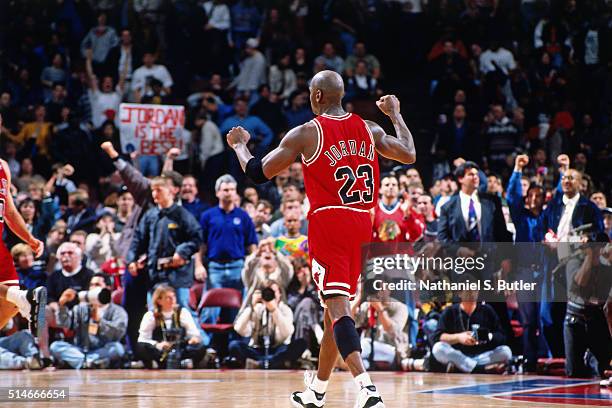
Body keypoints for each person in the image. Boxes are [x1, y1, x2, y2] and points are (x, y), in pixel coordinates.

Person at [226, 70, 416, 408]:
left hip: (330, 221)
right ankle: (316, 391)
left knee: (339, 307)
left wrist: (240, 145)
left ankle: (366, 388)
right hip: (363, 224)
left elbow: (257, 172)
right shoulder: (369, 128)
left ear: (316, 97)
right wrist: (395, 114)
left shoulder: (306, 133)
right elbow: (408, 153)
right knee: (333, 311)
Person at [0, 149, 46, 339]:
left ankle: (22, 298)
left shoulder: (3, 166)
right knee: (13, 297)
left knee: (7, 306)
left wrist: (29, 238)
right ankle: (24, 298)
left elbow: (9, 211)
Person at [50, 273, 128, 369]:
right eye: (91, 285)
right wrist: (62, 306)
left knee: (117, 348)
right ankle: (89, 362)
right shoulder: (81, 307)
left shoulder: (117, 311)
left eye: (97, 285)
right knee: (55, 346)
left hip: (102, 350)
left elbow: (117, 334)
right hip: (80, 350)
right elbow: (64, 324)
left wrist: (99, 321)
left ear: (107, 288)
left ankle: (82, 362)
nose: (93, 288)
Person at [136, 284, 205, 369]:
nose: (172, 300)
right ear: (159, 300)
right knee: (141, 347)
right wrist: (158, 345)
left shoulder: (182, 312)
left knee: (200, 346)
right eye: (168, 297)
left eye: (173, 297)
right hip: (160, 349)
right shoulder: (151, 315)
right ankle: (156, 363)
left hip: (179, 349)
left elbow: (193, 333)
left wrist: (193, 339)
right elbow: (143, 338)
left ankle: (185, 361)